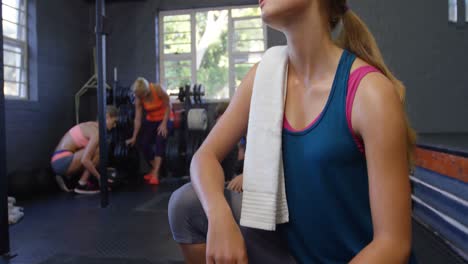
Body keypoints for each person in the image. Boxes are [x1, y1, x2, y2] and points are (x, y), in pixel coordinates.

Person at [169, 0, 418, 263]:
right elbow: (204, 157)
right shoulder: (263, 77)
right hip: (293, 254)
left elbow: (393, 244)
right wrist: (219, 216)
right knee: (187, 206)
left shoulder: (370, 92)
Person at [52, 105, 118, 194]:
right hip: (61, 161)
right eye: (114, 122)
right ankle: (82, 184)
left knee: (94, 151)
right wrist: (100, 178)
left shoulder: (90, 125)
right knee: (100, 149)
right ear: (107, 116)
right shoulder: (96, 133)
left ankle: (68, 178)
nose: (114, 126)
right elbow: (85, 160)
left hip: (58, 159)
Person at [126, 77, 173, 185]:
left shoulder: (157, 89)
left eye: (140, 95)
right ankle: (155, 169)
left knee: (160, 139)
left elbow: (168, 105)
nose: (139, 97)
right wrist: (134, 136)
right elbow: (137, 119)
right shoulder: (139, 97)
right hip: (152, 120)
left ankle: (155, 173)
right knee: (143, 143)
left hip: (166, 118)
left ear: (145, 92)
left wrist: (164, 124)